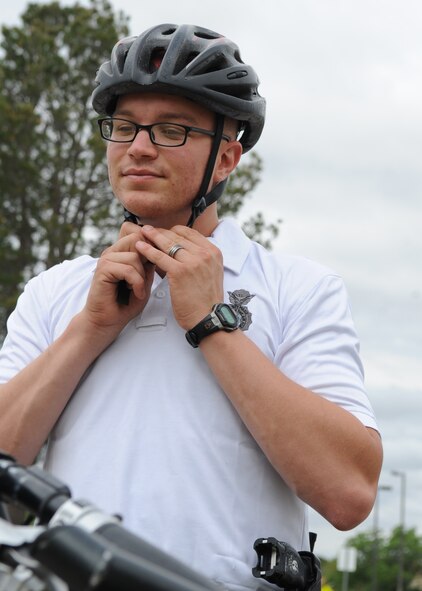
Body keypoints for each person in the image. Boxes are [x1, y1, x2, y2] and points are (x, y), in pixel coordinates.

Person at [0, 23, 382, 590]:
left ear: (226, 159)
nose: (139, 147)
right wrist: (90, 329)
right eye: (124, 127)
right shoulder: (55, 292)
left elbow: (349, 493)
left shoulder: (299, 288)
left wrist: (213, 322)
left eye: (171, 130)